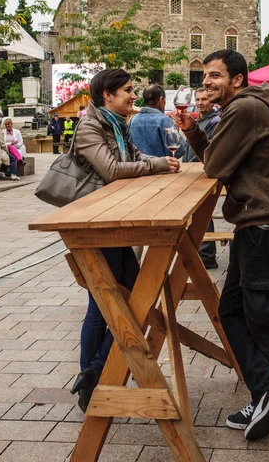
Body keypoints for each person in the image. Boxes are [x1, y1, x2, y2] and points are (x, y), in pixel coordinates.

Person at [174, 49, 269, 441]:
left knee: (260, 317)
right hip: (262, 223)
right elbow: (220, 159)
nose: (207, 81)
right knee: (233, 310)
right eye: (205, 76)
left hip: (264, 226)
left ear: (238, 80)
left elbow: (214, 167)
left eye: (216, 75)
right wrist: (195, 130)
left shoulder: (243, 110)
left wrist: (197, 135)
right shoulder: (244, 108)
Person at [70, 68, 179, 413]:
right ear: (108, 95)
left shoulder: (116, 124)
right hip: (95, 224)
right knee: (102, 304)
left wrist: (162, 162)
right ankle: (94, 375)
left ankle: (93, 373)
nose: (134, 96)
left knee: (134, 295)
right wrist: (157, 164)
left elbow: (133, 156)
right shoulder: (90, 126)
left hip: (113, 220)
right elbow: (112, 169)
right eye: (128, 91)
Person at [183, 87, 221, 269]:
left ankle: (206, 255)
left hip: (203, 172)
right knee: (197, 212)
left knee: (203, 213)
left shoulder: (215, 121)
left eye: (203, 99)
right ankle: (199, 252)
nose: (200, 103)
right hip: (193, 172)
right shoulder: (199, 119)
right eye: (197, 100)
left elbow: (210, 148)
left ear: (211, 100)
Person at [129, 84, 185, 158]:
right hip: (162, 167)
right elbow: (180, 150)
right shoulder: (164, 120)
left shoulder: (132, 120)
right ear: (161, 100)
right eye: (164, 100)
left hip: (139, 168)